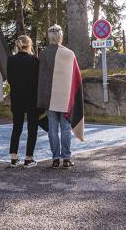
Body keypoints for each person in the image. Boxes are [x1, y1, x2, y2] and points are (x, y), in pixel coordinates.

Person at [35, 24, 84, 169]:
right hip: (65, 98)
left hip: (49, 98)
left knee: (52, 128)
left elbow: (41, 77)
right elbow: (76, 77)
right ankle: (66, 159)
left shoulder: (43, 54)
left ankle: (55, 159)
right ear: (60, 36)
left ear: (49, 36)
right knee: (65, 128)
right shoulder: (69, 54)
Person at [5, 35, 39, 167]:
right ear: (29, 45)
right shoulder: (35, 60)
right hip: (32, 98)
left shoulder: (11, 60)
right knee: (32, 128)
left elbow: (10, 79)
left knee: (17, 127)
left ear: (17, 45)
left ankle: (14, 158)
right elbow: (38, 81)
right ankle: (28, 159)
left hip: (17, 97)